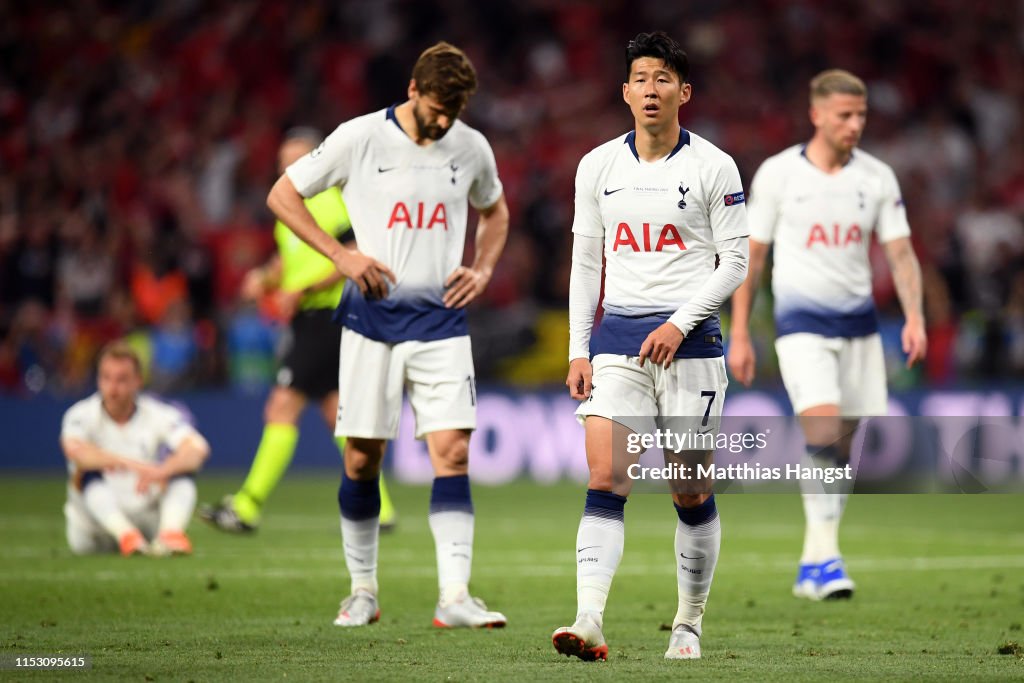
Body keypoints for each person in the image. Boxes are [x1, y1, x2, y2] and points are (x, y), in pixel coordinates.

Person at [266, 42, 510, 628]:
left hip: (441, 322)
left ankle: (455, 597)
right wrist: (341, 257)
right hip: (372, 322)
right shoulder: (359, 139)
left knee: (451, 451)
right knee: (361, 458)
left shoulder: (471, 147)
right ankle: (363, 591)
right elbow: (282, 195)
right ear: (412, 91)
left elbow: (496, 212)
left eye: (455, 110)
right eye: (437, 109)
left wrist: (482, 268)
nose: (445, 121)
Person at [553, 32, 750, 661]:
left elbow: (736, 260)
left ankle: (688, 622)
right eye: (640, 78)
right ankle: (588, 620)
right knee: (606, 476)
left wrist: (681, 322)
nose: (650, 89)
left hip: (690, 345)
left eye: (663, 79)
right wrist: (577, 348)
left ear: (683, 93)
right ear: (625, 92)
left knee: (689, 489)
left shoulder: (714, 166)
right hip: (617, 341)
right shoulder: (597, 165)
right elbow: (586, 263)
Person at [727, 69, 927, 601]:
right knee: (821, 431)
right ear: (816, 114)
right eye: (844, 115)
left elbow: (900, 253)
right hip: (800, 326)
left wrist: (914, 317)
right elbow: (753, 258)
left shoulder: (877, 177)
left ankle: (813, 561)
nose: (855, 124)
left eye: (861, 115)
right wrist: (741, 332)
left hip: (860, 328)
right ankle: (828, 562)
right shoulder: (777, 175)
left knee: (840, 447)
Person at [199, 128, 397, 534]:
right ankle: (382, 508)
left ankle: (247, 505)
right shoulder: (291, 207)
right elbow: (293, 258)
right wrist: (266, 278)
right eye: (281, 162)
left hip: (327, 315)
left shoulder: (328, 201)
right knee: (336, 413)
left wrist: (300, 292)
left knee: (282, 406)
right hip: (317, 319)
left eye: (295, 160)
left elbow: (355, 254)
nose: (286, 169)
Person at [60, 341, 210, 556]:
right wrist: (134, 465)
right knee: (85, 474)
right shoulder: (80, 415)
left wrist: (162, 470)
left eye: (122, 379)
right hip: (94, 529)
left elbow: (198, 449)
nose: (113, 387)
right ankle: (125, 534)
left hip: (145, 519)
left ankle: (170, 534)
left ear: (138, 381)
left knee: (181, 471)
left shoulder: (158, 413)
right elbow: (77, 453)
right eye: (106, 378)